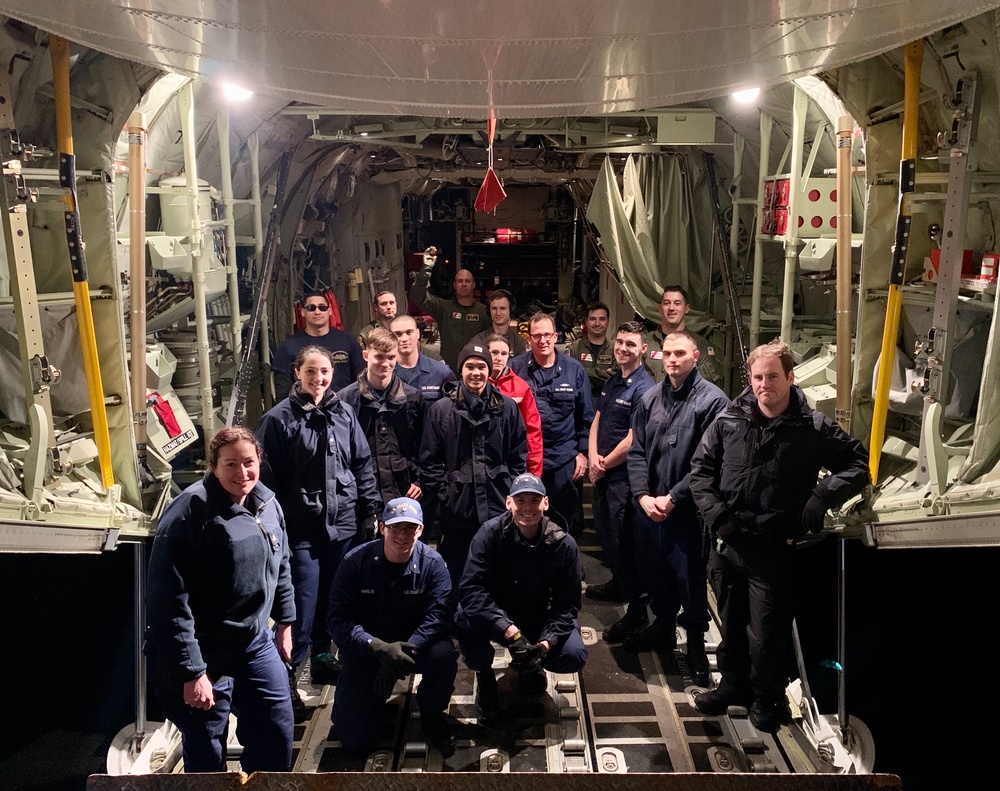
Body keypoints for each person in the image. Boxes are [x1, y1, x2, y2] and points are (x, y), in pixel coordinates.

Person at [690, 340, 868, 731]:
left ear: (790, 377)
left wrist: (822, 495)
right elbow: (700, 472)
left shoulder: (813, 428)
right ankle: (732, 685)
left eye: (772, 376)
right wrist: (719, 517)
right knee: (730, 624)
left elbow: (858, 464)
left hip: (772, 550)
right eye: (757, 377)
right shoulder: (729, 420)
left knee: (766, 635)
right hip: (728, 544)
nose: (763, 384)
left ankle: (765, 698)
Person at [144, 427, 296, 773]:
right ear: (213, 467)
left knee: (275, 728)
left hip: (254, 642)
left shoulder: (268, 504)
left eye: (248, 462)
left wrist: (285, 621)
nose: (242, 472)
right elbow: (168, 600)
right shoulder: (189, 513)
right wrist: (192, 672)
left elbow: (281, 564)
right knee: (206, 741)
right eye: (230, 464)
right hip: (204, 648)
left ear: (259, 462)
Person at [255, 345, 381, 703]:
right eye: (310, 371)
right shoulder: (278, 420)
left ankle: (323, 657)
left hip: (342, 526)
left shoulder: (344, 413)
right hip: (301, 531)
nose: (318, 378)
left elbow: (362, 463)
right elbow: (266, 480)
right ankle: (287, 675)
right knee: (300, 605)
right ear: (297, 373)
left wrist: (370, 509)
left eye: (324, 371)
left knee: (333, 598)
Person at [624, 332, 730, 684]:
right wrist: (642, 495)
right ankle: (663, 627)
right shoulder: (650, 399)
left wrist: (673, 498)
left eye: (680, 353)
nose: (672, 359)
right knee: (654, 571)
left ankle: (696, 642)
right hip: (650, 508)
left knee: (690, 579)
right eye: (667, 353)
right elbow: (637, 451)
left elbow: (709, 463)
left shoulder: (713, 402)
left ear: (695, 356)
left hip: (687, 511)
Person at [327, 497, 457, 757]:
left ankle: (431, 712)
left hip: (414, 647)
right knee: (352, 739)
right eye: (395, 527)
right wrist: (377, 648)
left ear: (420, 530)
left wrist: (402, 653)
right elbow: (338, 620)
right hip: (369, 649)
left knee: (444, 655)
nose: (402, 535)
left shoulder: (433, 564)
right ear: (382, 527)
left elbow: (439, 616)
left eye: (410, 528)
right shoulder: (355, 563)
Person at [458, 473, 587, 724]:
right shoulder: (489, 534)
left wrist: (545, 643)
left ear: (545, 503)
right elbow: (471, 589)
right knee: (464, 621)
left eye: (534, 500)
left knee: (573, 654)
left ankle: (531, 664)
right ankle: (484, 675)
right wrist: (509, 631)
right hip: (498, 615)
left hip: (539, 616)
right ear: (509, 503)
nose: (527, 507)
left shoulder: (564, 544)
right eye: (520, 501)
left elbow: (568, 604)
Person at [419, 341, 528, 586]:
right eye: (470, 367)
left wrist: (510, 491)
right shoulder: (441, 410)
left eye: (481, 366)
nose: (476, 372)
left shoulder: (507, 408)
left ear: (489, 370)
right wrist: (447, 496)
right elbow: (430, 461)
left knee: (498, 575)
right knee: (457, 575)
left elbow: (519, 456)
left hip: (498, 507)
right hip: (458, 512)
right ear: (461, 370)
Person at [585, 322, 655, 643]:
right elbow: (597, 420)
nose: (623, 348)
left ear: (643, 349)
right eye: (620, 342)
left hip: (624, 479)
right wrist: (592, 457)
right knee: (607, 536)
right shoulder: (614, 380)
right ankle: (617, 583)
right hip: (603, 474)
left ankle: (638, 611)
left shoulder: (644, 388)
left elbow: (633, 439)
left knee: (626, 543)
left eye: (631, 344)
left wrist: (602, 464)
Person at [510, 312, 594, 535]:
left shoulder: (574, 370)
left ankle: (565, 556)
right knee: (525, 520)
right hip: (526, 458)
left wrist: (582, 454)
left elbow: (586, 416)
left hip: (563, 458)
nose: (543, 340)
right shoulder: (515, 368)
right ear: (529, 339)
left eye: (547, 335)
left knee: (565, 522)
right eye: (537, 336)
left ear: (556, 337)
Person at [338, 327, 423, 504]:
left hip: (405, 490)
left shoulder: (412, 398)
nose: (385, 363)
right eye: (379, 357)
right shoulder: (345, 400)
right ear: (365, 355)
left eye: (391, 357)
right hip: (362, 492)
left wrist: (419, 480)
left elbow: (424, 445)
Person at [410, 247, 489, 370]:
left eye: (467, 281)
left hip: (474, 371)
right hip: (448, 371)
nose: (464, 284)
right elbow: (418, 296)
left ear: (473, 285)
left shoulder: (484, 312)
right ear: (454, 285)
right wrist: (426, 270)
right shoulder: (444, 308)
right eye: (460, 281)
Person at [272, 291, 364, 397]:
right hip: (304, 406)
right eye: (311, 308)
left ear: (330, 311)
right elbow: (282, 391)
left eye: (322, 307)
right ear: (303, 312)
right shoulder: (288, 347)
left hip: (342, 404)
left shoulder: (348, 341)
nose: (317, 312)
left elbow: (361, 379)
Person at [486, 333, 543, 476]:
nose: (499, 358)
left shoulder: (521, 387)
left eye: (504, 353)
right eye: (494, 352)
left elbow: (533, 432)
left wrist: (534, 473)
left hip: (512, 464)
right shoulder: (476, 384)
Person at [647, 285, 724, 389]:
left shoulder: (700, 345)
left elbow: (707, 388)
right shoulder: (646, 342)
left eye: (677, 303)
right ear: (660, 309)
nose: (671, 308)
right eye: (667, 303)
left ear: (686, 309)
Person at [390, 313, 457, 404]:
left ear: (418, 334)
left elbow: (453, 409)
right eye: (398, 334)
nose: (404, 339)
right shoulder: (384, 374)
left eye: (409, 332)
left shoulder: (442, 373)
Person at [567, 302, 614, 401]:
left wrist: (583, 371)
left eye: (602, 319)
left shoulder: (617, 350)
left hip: (608, 403)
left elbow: (616, 379)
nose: (597, 323)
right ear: (586, 321)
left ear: (608, 321)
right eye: (592, 319)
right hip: (581, 403)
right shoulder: (573, 349)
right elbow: (571, 378)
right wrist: (604, 375)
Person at [471, 289, 527, 356]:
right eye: (494, 308)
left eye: (502, 308)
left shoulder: (520, 343)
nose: (498, 313)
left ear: (510, 310)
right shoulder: (478, 341)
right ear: (489, 311)